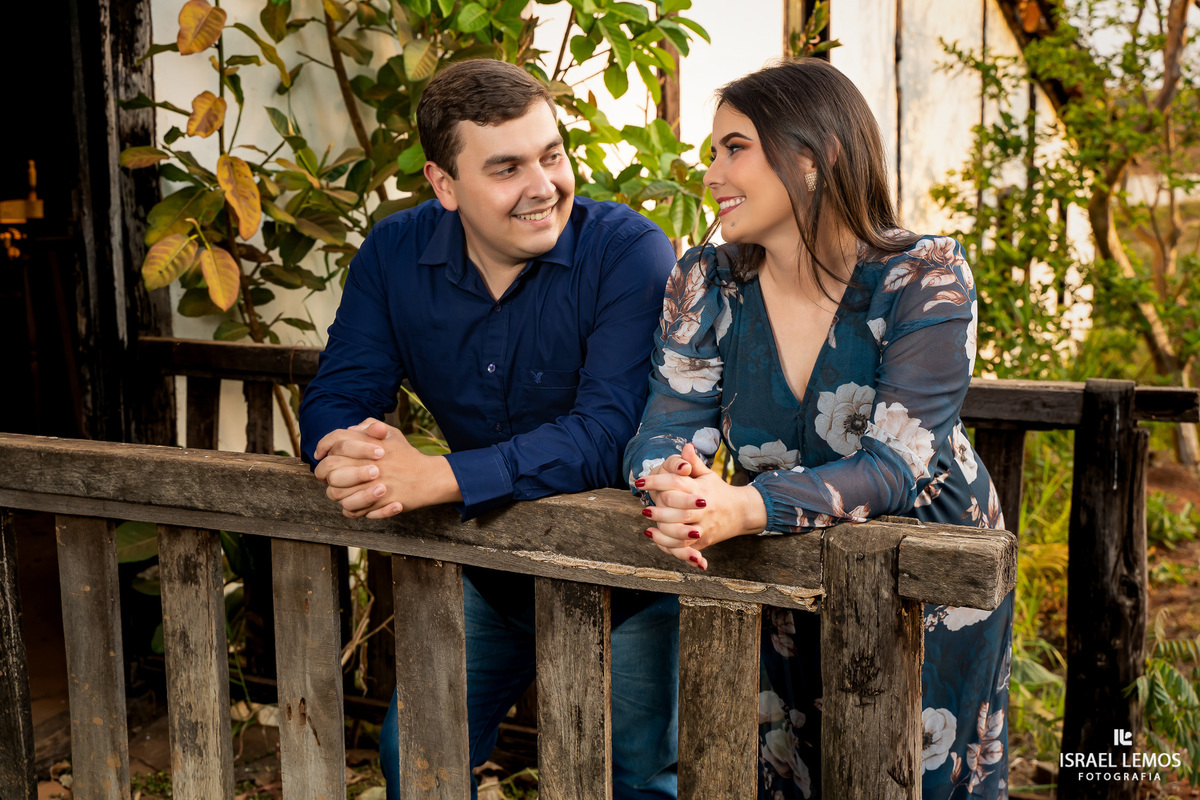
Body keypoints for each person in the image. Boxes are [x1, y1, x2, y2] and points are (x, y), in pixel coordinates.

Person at [624, 58, 1013, 800]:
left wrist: (744, 505)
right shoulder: (706, 281)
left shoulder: (923, 276)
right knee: (800, 767)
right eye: (713, 152)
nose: (711, 173)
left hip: (928, 583)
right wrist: (674, 485)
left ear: (816, 154)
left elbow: (897, 466)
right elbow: (665, 424)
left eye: (734, 147)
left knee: (913, 775)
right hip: (780, 569)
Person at [298, 59, 680, 799]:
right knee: (417, 757)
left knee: (634, 781)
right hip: (493, 570)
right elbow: (341, 390)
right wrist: (351, 455)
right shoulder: (395, 253)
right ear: (445, 186)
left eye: (553, 154)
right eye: (507, 168)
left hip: (626, 579)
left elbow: (607, 435)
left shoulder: (627, 252)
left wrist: (437, 477)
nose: (543, 186)